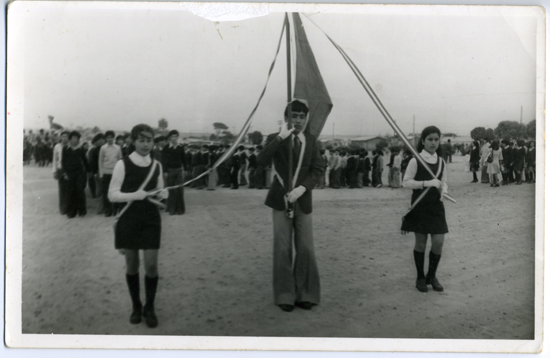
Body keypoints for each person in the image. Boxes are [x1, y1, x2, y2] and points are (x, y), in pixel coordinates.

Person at [257, 100, 324, 313]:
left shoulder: (311, 141)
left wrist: (302, 189)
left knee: (305, 247)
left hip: (302, 200)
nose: (297, 120)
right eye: (294, 116)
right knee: (282, 247)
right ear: (287, 118)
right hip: (281, 199)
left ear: (306, 120)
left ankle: (306, 293)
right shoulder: (275, 139)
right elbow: (261, 160)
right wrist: (280, 137)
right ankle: (285, 294)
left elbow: (317, 169)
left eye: (301, 117)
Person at [108, 124, 168, 328]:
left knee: (151, 266)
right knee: (132, 265)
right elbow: (112, 195)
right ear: (133, 141)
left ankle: (149, 307)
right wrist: (136, 195)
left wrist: (162, 194)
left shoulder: (157, 165)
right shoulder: (122, 164)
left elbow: (160, 190)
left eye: (149, 140)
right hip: (129, 219)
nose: (145, 144)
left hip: (151, 219)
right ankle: (136, 306)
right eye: (141, 140)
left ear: (154, 142)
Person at [401, 126, 448, 293]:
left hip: (436, 206)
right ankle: (420, 277)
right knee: (421, 243)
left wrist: (444, 190)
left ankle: (431, 276)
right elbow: (405, 182)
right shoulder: (415, 160)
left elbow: (444, 181)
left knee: (438, 242)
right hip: (420, 206)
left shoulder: (441, 161)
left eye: (436, 139)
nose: (433, 143)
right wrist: (426, 183)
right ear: (423, 141)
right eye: (430, 139)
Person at [62, 131, 90, 218]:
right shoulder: (65, 148)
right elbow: (63, 162)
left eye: (76, 138)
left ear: (78, 140)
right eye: (73, 138)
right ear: (70, 139)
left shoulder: (81, 149)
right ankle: (71, 212)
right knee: (70, 191)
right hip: (69, 173)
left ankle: (82, 211)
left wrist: (89, 171)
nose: (75, 140)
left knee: (80, 190)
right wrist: (64, 173)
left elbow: (85, 161)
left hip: (79, 173)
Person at [161, 130, 186, 215]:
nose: (174, 138)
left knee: (180, 190)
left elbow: (184, 159)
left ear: (178, 137)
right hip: (170, 171)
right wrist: (165, 171)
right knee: (171, 190)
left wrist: (185, 170)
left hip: (179, 170)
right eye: (172, 136)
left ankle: (180, 209)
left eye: (176, 136)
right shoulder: (166, 148)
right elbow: (163, 160)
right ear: (170, 138)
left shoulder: (180, 147)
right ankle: (171, 209)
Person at [99, 130, 123, 217]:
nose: (110, 139)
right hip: (106, 173)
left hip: (115, 173)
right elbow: (100, 161)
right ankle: (107, 210)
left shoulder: (117, 148)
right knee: (106, 192)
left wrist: (120, 173)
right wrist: (101, 174)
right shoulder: (103, 148)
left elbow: (120, 160)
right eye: (108, 137)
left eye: (111, 137)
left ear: (114, 138)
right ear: (106, 138)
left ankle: (116, 209)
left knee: (116, 191)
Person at [53, 131, 70, 214]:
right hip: (60, 169)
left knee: (69, 189)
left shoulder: (70, 146)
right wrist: (54, 171)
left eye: (66, 136)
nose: (64, 138)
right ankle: (63, 209)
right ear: (60, 137)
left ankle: (69, 207)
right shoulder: (57, 147)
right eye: (62, 136)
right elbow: (54, 159)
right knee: (62, 189)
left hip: (69, 170)